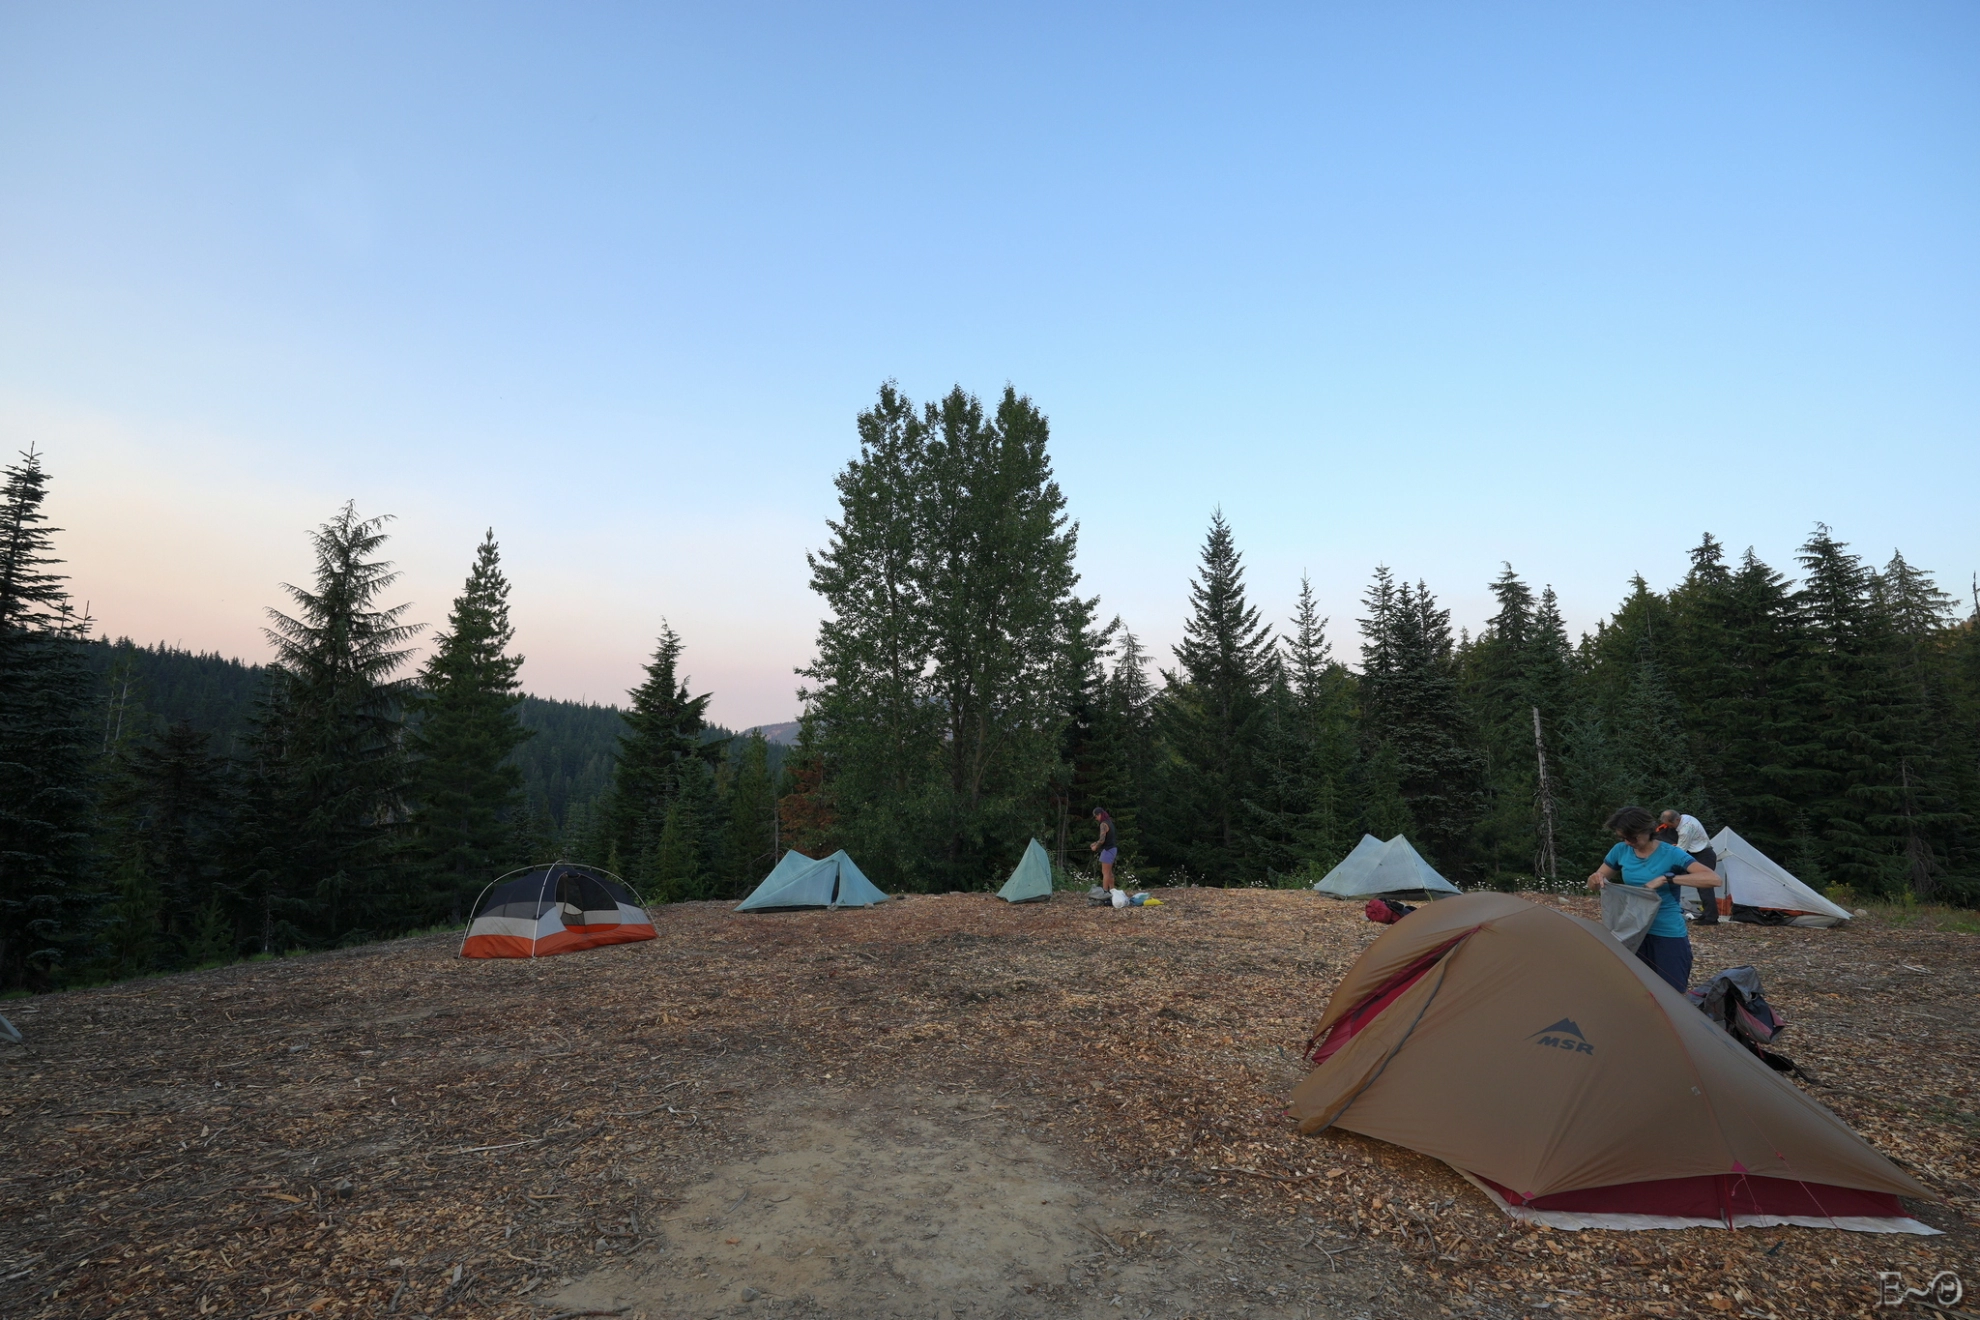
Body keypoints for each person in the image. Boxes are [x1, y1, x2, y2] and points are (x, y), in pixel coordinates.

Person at [1586, 806, 1720, 993]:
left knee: (1671, 994)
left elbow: (1713, 879)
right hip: (1633, 931)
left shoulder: (1671, 853)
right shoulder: (1621, 850)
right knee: (1636, 992)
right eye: (1623, 838)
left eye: (1632, 838)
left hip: (1667, 932)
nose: (1628, 842)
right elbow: (1593, 884)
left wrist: (1667, 879)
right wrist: (1594, 880)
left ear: (1646, 830)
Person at [1659, 809, 1721, 925]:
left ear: (1677, 820)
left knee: (1704, 886)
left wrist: (1669, 849)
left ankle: (1711, 918)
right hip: (1697, 852)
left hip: (1704, 855)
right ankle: (1707, 914)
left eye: (1670, 825)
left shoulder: (1685, 829)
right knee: (1700, 886)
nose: (1670, 827)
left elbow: (1680, 851)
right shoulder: (1686, 817)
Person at [1089, 807, 1119, 892]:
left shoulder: (1103, 824)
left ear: (1099, 815)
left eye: (1096, 817)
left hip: (1107, 850)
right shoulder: (1109, 822)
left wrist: (1095, 847)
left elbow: (1102, 840)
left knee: (1105, 872)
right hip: (1113, 849)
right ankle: (1112, 890)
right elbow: (1106, 838)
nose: (1096, 819)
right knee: (1109, 872)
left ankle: (1105, 892)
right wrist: (1096, 843)